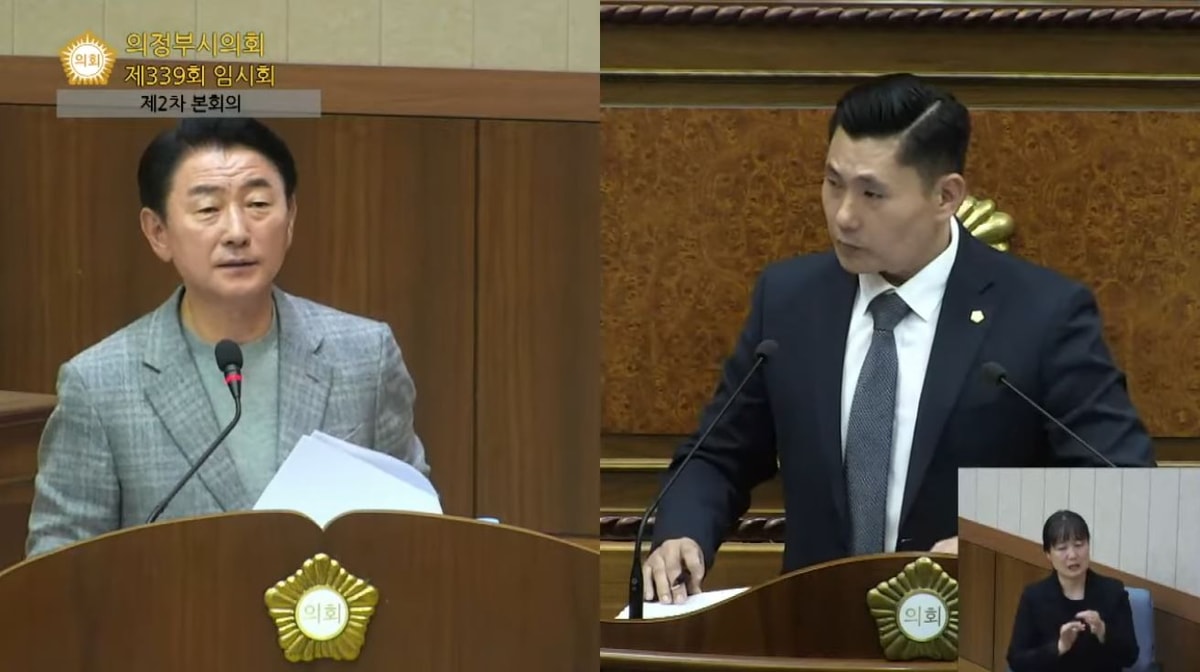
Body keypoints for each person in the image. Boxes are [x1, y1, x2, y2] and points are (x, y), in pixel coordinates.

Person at [641, 73, 1155, 604]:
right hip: (813, 626)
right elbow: (717, 455)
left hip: (975, 627)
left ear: (945, 196)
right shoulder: (790, 301)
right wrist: (683, 533)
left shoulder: (1043, 315)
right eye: (833, 183)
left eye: (872, 194)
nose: (844, 215)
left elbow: (1122, 486)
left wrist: (1001, 546)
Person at [26, 118, 430, 558]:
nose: (237, 232)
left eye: (258, 204)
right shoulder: (99, 385)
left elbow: (415, 529)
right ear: (158, 232)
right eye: (208, 210)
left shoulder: (365, 356)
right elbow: (59, 566)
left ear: (290, 218)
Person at [1007, 510, 1139, 671]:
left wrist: (1103, 631)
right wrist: (1059, 647)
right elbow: (1017, 661)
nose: (1072, 555)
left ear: (1088, 545)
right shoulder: (1034, 597)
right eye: (1062, 548)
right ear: (1048, 554)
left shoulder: (1113, 592)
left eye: (1079, 545)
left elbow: (1131, 656)